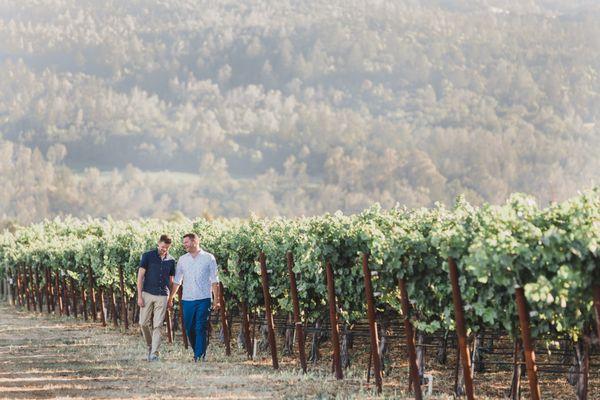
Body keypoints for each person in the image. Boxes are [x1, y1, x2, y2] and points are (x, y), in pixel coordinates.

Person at [168, 233, 220, 363]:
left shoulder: (209, 258)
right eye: (184, 242)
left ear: (195, 242)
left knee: (200, 327)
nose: (184, 245)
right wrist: (170, 298)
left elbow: (215, 280)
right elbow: (177, 281)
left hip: (204, 298)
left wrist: (216, 300)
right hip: (188, 299)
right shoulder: (182, 259)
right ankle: (197, 349)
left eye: (186, 242)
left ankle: (199, 356)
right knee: (189, 328)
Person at [137, 234, 176, 361]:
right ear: (158, 243)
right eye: (163, 246)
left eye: (167, 248)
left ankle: (154, 353)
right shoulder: (147, 256)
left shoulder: (171, 260)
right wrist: (139, 296)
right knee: (143, 323)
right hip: (147, 293)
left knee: (158, 325)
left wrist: (170, 298)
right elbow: (140, 277)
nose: (164, 249)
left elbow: (171, 281)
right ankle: (150, 346)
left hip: (163, 295)